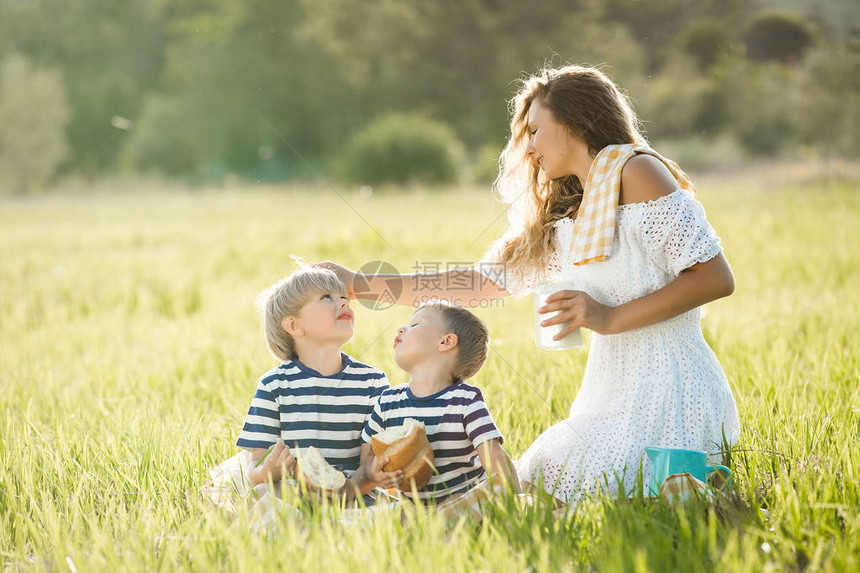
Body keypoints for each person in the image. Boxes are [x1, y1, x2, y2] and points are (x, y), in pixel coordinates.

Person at [316, 64, 740, 504]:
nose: (530, 147)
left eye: (536, 131)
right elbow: (480, 283)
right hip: (609, 396)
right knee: (537, 483)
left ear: (574, 121)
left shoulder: (638, 171)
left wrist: (608, 316)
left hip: (671, 391)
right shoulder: (571, 212)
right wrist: (359, 284)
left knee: (597, 493)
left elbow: (714, 277)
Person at [203, 266, 401, 510]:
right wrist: (267, 470)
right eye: (327, 298)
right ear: (295, 326)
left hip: (355, 493)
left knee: (398, 512)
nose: (343, 303)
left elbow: (370, 465)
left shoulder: (372, 381)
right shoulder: (274, 386)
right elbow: (254, 464)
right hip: (292, 496)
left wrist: (361, 483)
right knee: (268, 497)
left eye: (344, 298)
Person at [361, 302, 519, 506]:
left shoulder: (465, 400)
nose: (401, 329)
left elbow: (496, 463)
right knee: (385, 513)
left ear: (446, 342)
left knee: (472, 504)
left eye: (415, 325)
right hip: (415, 508)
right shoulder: (387, 402)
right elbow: (367, 457)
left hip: (466, 503)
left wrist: (511, 503)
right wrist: (373, 472)